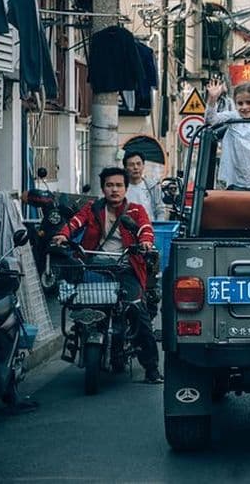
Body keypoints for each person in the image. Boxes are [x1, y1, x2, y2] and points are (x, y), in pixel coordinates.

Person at [52, 167, 163, 384]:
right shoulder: (92, 208)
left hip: (126, 267)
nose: (114, 189)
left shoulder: (136, 210)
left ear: (125, 188)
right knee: (81, 302)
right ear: (103, 188)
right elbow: (75, 223)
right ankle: (81, 334)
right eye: (110, 185)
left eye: (119, 185)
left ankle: (151, 369)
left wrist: (145, 242)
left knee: (138, 314)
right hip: (95, 266)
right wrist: (63, 235)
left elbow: (145, 229)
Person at [122, 150, 165, 222]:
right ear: (125, 168)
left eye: (138, 164)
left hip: (149, 226)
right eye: (131, 165)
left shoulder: (152, 186)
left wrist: (158, 225)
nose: (136, 167)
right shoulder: (121, 189)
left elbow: (160, 210)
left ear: (143, 166)